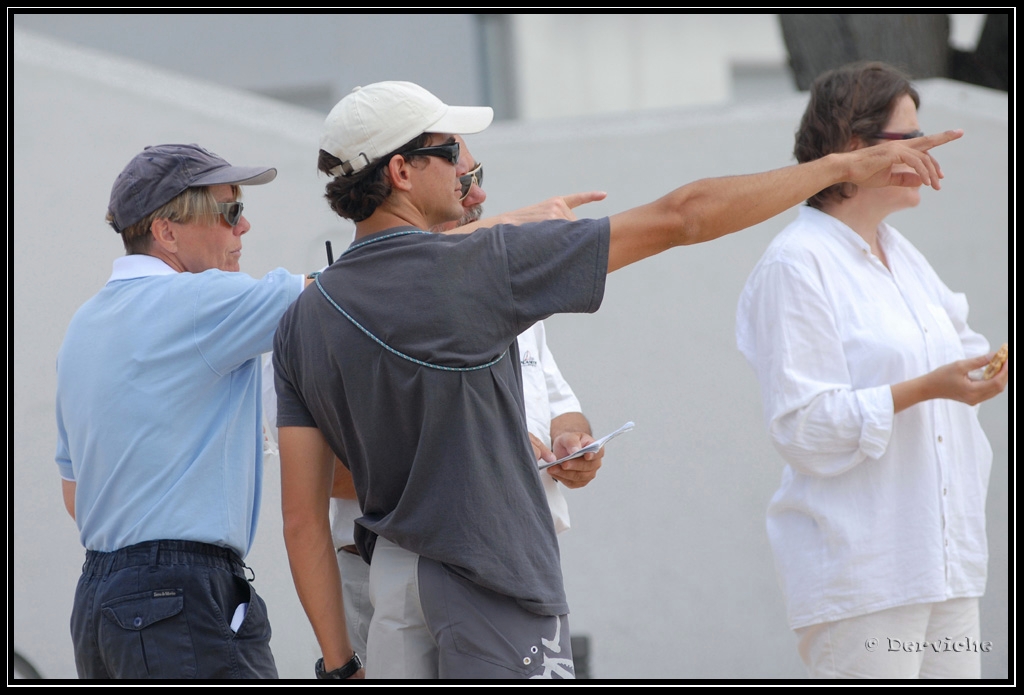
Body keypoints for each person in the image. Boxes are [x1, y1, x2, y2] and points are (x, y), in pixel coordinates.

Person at [273, 80, 961, 679]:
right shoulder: (483, 264)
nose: (467, 168)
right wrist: (838, 167)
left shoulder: (304, 317)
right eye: (451, 152)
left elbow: (303, 519)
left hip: (392, 588)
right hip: (493, 583)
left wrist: (340, 662)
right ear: (400, 170)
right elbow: (683, 216)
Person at [262, 137, 607, 666]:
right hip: (385, 560)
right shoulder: (327, 315)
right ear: (406, 178)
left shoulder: (504, 293)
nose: (474, 194)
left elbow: (559, 398)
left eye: (475, 176)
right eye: (461, 177)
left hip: (508, 551)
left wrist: (570, 441)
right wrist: (492, 456)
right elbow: (313, 483)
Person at [735, 62, 1007, 679]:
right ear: (853, 150)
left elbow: (965, 356)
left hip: (945, 563)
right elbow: (803, 428)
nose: (927, 150)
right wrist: (926, 389)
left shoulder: (904, 256)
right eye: (909, 137)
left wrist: (987, 370)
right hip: (863, 574)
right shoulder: (797, 264)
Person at [55, 144, 316, 679]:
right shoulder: (200, 301)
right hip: (179, 592)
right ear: (167, 232)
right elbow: (352, 292)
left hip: (100, 598)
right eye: (230, 210)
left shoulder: (82, 327)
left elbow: (74, 492)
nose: (243, 227)